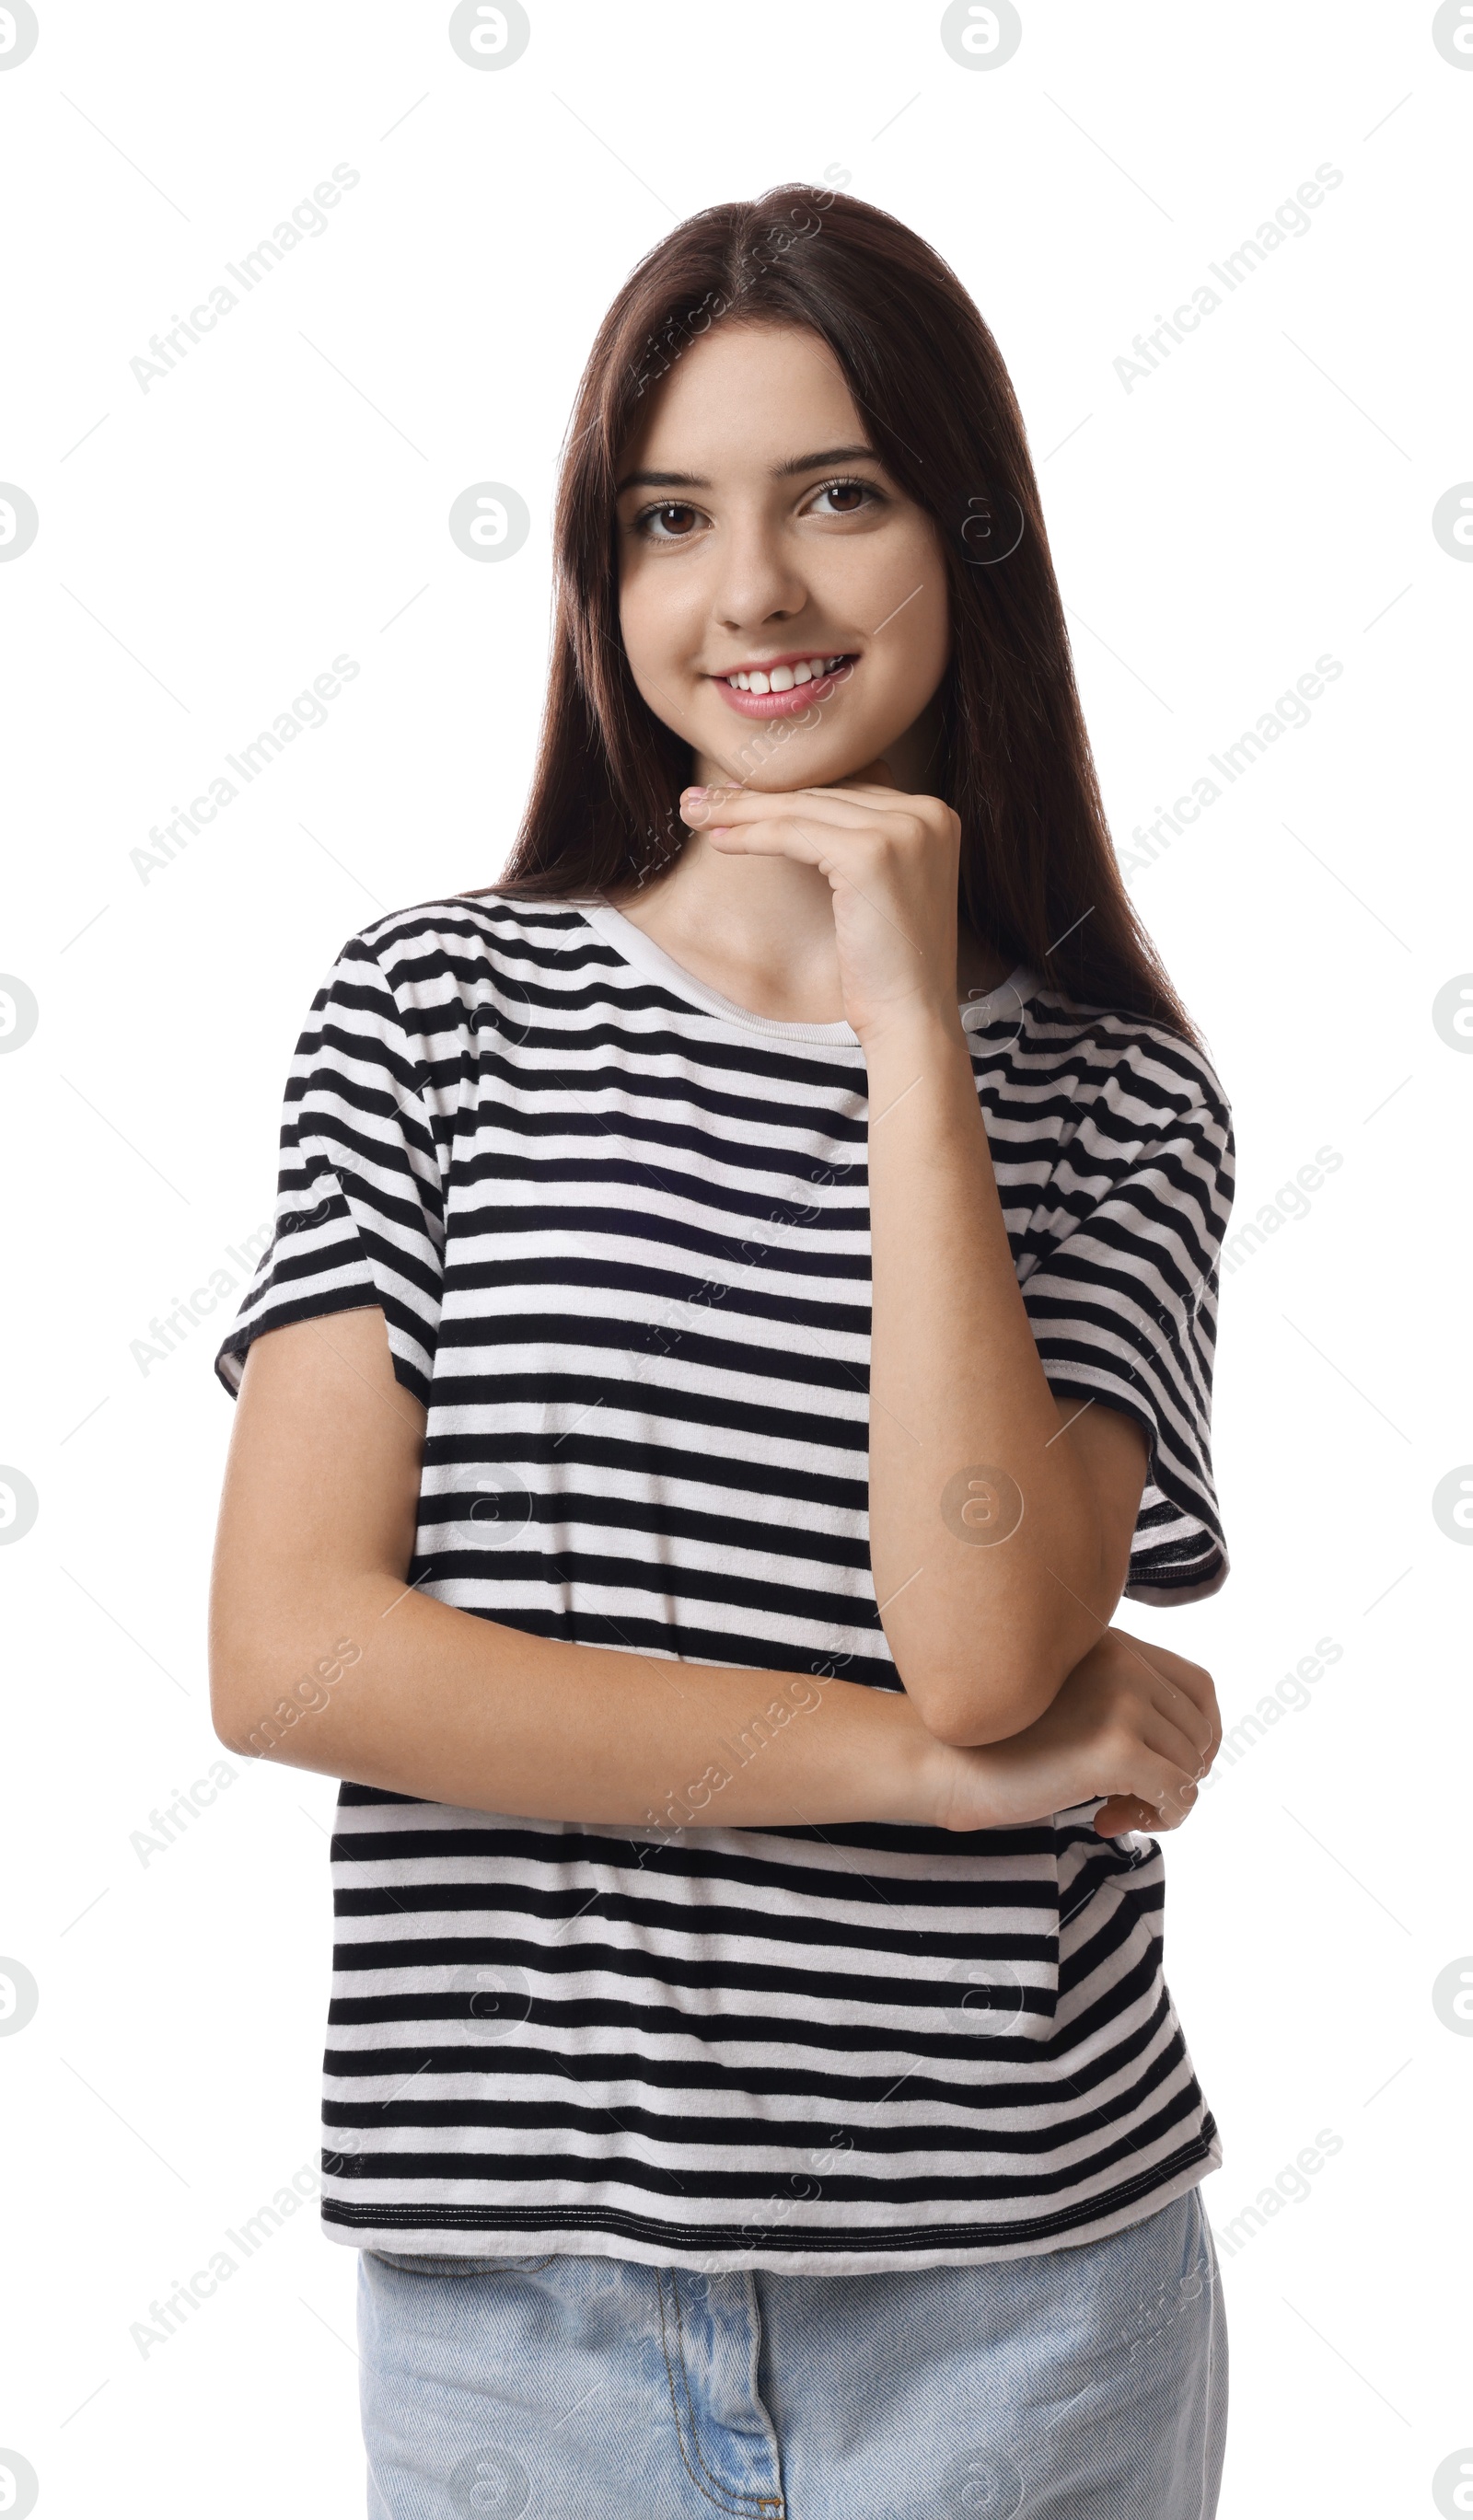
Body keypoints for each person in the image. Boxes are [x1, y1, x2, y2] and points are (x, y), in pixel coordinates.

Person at [210, 185, 1234, 2519]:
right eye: (668, 518)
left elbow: (984, 1640)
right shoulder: (432, 1014)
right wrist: (929, 1784)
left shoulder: (1108, 1100)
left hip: (1020, 2301)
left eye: (833, 495)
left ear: (962, 538)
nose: (747, 590)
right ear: (604, 578)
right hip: (520, 2309)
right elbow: (292, 1660)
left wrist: (907, 1025)